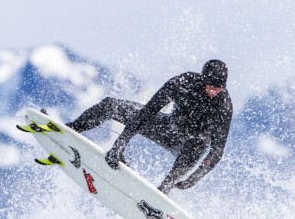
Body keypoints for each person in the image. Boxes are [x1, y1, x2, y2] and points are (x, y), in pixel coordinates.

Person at [66, 60, 232, 195]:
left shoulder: (223, 105)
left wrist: (196, 177)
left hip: (188, 145)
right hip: (167, 127)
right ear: (203, 79)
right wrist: (119, 144)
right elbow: (145, 113)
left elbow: (217, 151)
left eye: (217, 89)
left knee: (200, 142)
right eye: (210, 86)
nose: (213, 92)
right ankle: (71, 129)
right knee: (110, 105)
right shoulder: (182, 83)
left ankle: (165, 188)